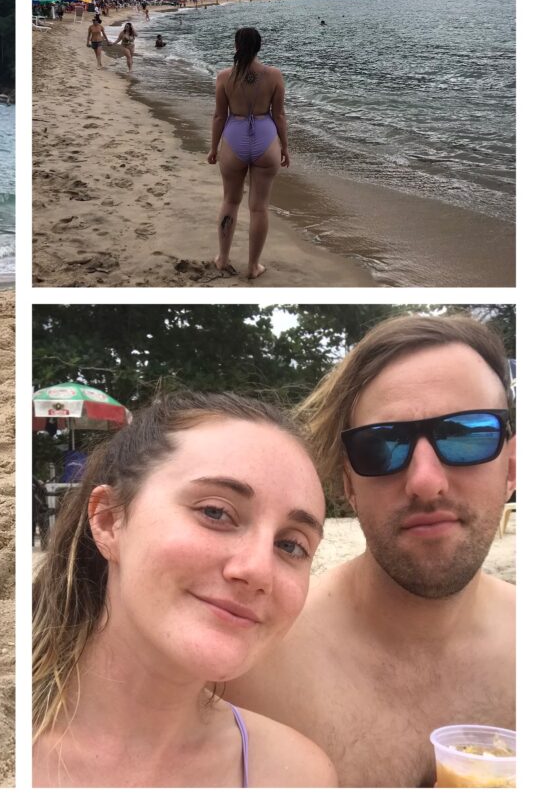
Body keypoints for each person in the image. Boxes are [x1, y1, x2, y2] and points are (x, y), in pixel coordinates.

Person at [226, 314, 516, 787]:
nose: (425, 482)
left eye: (466, 435)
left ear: (512, 468)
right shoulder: (250, 665)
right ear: (349, 484)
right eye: (382, 447)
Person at [33, 391, 337, 788]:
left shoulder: (297, 778)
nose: (258, 571)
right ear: (108, 521)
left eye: (291, 545)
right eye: (215, 512)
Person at [207, 27, 289, 280]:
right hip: (265, 137)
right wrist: (285, 147)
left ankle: (223, 258)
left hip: (235, 137)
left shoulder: (224, 77)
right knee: (259, 208)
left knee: (230, 201)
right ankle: (253, 266)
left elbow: (220, 115)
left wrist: (213, 147)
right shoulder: (274, 75)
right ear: (259, 47)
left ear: (236, 46)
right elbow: (279, 115)